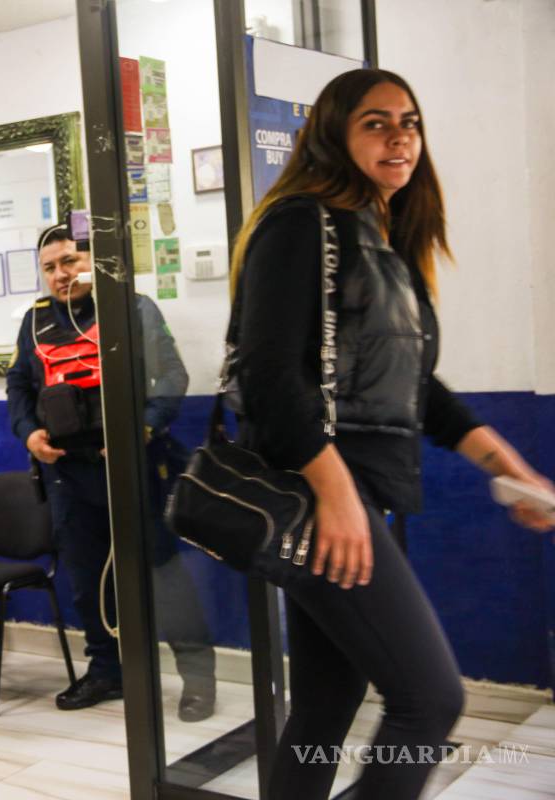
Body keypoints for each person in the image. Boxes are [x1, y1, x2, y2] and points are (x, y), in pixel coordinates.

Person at [227, 68, 555, 800]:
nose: (400, 135)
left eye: (409, 121)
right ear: (333, 135)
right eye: (376, 121)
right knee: (430, 701)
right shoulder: (299, 222)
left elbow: (418, 390)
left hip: (356, 492)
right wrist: (337, 498)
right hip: (322, 494)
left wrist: (509, 468)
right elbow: (270, 377)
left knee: (323, 705)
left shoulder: (382, 238)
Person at [6, 224, 216, 719]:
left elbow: (172, 375)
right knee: (85, 581)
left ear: (92, 262)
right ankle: (106, 673)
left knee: (164, 578)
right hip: (66, 475)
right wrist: (29, 433)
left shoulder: (133, 308)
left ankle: (198, 680)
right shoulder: (34, 322)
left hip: (134, 468)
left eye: (71, 261)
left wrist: (141, 429)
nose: (62, 274)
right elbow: (18, 386)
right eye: (51, 267)